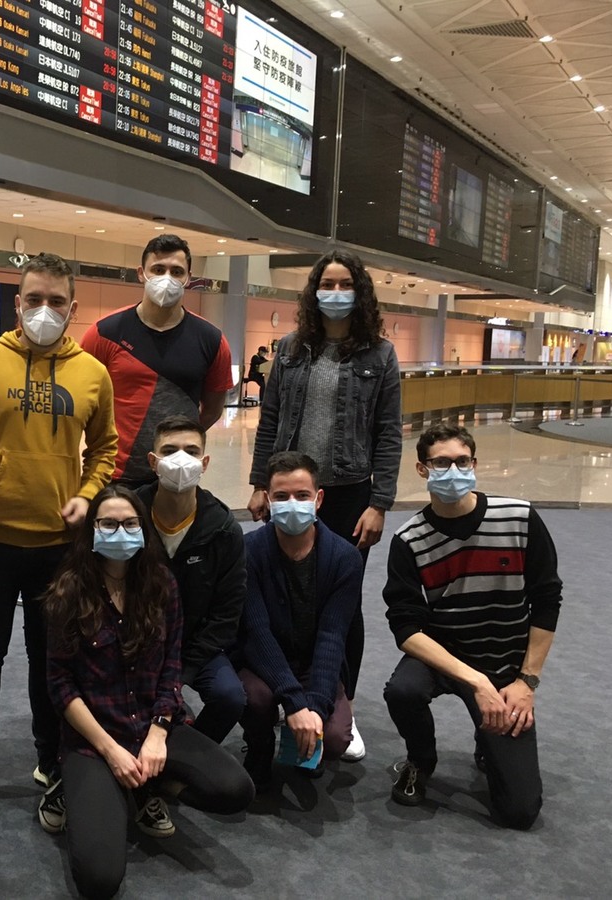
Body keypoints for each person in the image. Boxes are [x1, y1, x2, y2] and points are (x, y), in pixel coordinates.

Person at [0, 252, 118, 822]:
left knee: (51, 661)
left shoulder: (93, 373)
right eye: (34, 299)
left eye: (56, 301)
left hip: (57, 550)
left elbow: (107, 449)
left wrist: (87, 496)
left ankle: (52, 761)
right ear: (17, 304)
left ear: (73, 307)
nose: (45, 310)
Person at [38, 485, 254, 900]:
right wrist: (111, 751)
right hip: (94, 740)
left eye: (130, 523)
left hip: (152, 724)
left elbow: (172, 667)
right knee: (99, 881)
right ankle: (79, 785)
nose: (121, 531)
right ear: (92, 531)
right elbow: (60, 687)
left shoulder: (161, 585)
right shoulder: (67, 593)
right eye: (109, 523)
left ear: (143, 529)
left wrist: (157, 734)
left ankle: (145, 786)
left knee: (235, 791)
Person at [246, 250, 402, 762]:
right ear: (313, 291)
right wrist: (258, 484)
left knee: (341, 602)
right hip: (291, 487)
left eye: (344, 283)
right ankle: (277, 691)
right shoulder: (290, 350)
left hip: (349, 491)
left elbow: (387, 432)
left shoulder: (379, 355)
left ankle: (342, 704)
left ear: (360, 291)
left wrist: (379, 502)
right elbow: (269, 419)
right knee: (276, 592)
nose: (334, 291)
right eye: (326, 283)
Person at [382, 423, 562, 829]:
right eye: (442, 463)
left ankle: (490, 742)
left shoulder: (518, 517)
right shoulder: (409, 539)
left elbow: (547, 600)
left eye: (462, 461)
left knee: (518, 812)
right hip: (447, 654)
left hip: (505, 663)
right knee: (403, 691)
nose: (454, 470)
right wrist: (476, 682)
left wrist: (526, 683)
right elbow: (406, 628)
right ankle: (420, 761)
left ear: (475, 464)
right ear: (422, 469)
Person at [233, 451, 362, 790]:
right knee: (255, 699)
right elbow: (257, 633)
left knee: (334, 739)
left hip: (313, 660)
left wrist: (315, 706)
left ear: (318, 499)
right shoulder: (247, 552)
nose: (292, 504)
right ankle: (259, 746)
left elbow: (333, 636)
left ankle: (304, 744)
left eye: (302, 496)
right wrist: (294, 700)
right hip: (262, 660)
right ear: (267, 499)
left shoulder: (345, 557)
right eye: (281, 496)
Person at [81, 234, 233, 485]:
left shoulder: (211, 340)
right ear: (141, 273)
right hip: (114, 475)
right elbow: (82, 402)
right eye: (158, 269)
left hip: (178, 475)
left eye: (176, 272)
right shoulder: (104, 333)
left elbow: (213, 409)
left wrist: (179, 447)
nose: (167, 278)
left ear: (188, 278)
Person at [133, 415, 245, 744]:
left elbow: (227, 614)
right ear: (153, 462)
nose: (181, 459)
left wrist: (180, 675)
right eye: (169, 451)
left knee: (230, 697)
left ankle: (191, 750)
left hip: (196, 645)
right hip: (137, 642)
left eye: (191, 451)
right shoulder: (129, 515)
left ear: (204, 462)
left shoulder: (224, 529)